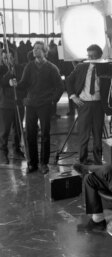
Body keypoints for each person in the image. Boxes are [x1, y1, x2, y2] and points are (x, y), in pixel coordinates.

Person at [10, 41, 64, 174]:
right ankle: (32, 163)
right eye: (34, 48)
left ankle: (44, 163)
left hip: (45, 104)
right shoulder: (29, 66)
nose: (35, 50)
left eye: (39, 48)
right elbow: (23, 84)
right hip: (31, 104)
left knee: (45, 134)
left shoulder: (52, 68)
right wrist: (15, 84)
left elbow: (60, 87)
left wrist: (53, 101)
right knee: (30, 134)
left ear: (45, 51)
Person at [66, 44, 112, 165]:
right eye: (89, 56)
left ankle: (98, 162)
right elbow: (69, 81)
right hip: (83, 105)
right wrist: (73, 96)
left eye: (94, 56)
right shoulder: (81, 66)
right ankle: (83, 161)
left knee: (97, 134)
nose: (91, 58)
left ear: (100, 56)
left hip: (98, 105)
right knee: (84, 135)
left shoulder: (106, 68)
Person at [0, 49, 26, 164]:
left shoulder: (20, 68)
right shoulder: (1, 69)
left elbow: (24, 82)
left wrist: (18, 84)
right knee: (4, 131)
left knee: (18, 129)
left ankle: (17, 149)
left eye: (9, 57)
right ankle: (2, 152)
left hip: (18, 103)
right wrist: (8, 75)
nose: (7, 60)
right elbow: (1, 82)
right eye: (4, 58)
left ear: (14, 58)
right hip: (5, 104)